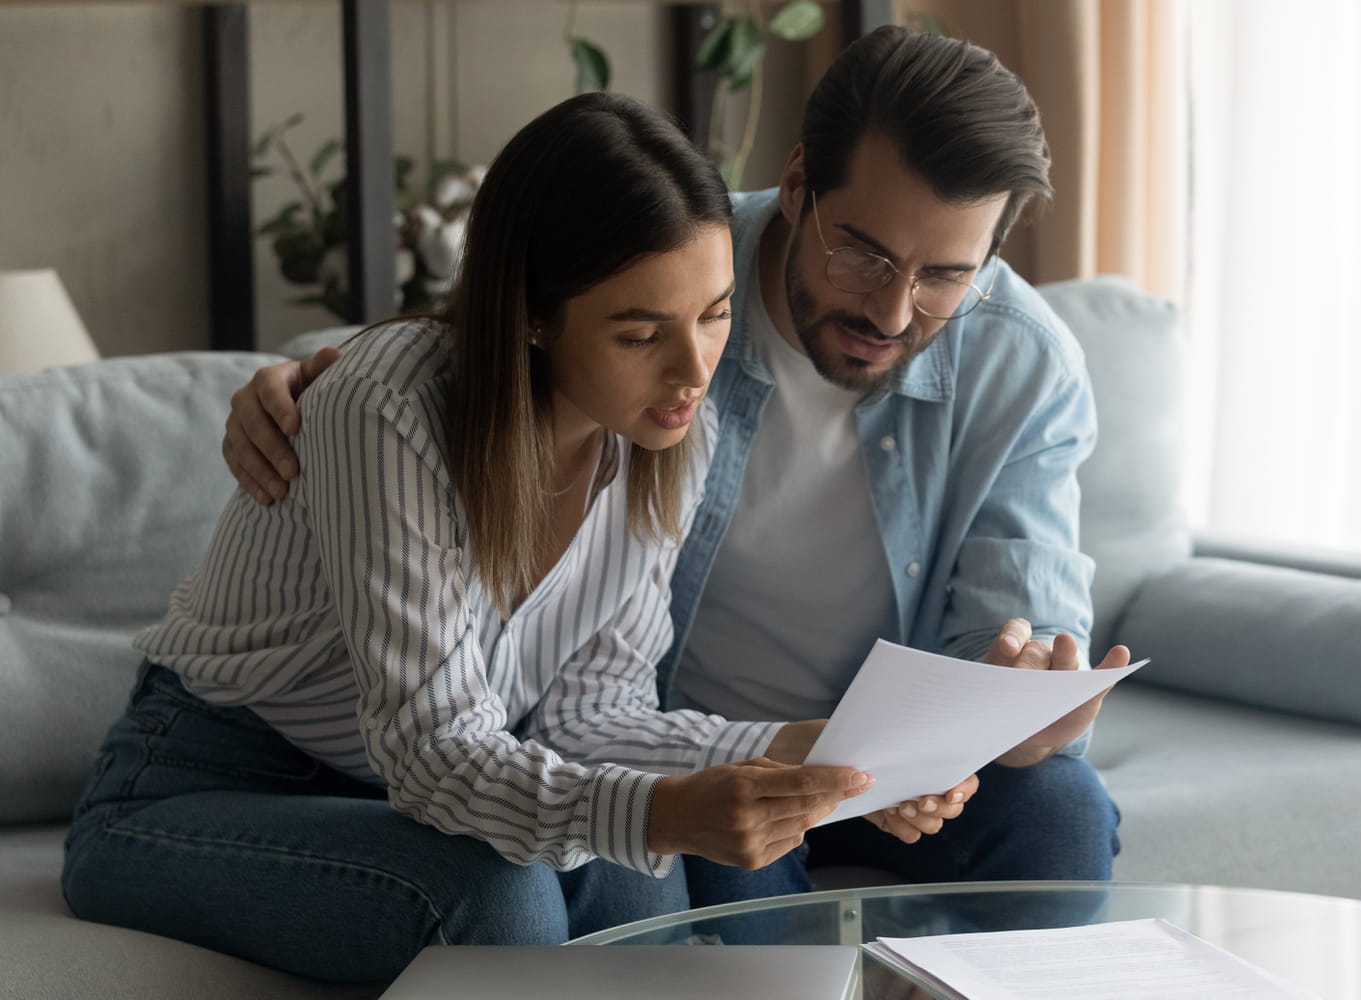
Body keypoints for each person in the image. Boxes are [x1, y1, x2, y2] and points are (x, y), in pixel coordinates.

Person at [220, 27, 1130, 913]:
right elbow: (495, 331)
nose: (893, 311)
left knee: (1061, 814)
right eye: (864, 254)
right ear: (800, 183)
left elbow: (1011, 632)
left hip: (865, 752)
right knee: (666, 885)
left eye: (945, 275)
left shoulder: (1024, 363)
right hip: (687, 740)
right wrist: (316, 383)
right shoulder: (676, 262)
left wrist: (1022, 714)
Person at [60, 92, 891, 984]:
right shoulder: (387, 407)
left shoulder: (671, 437)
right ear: (532, 314)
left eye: (716, 313)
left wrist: (799, 753)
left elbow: (591, 719)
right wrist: (660, 813)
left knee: (634, 884)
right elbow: (434, 751)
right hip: (200, 780)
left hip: (401, 792)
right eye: (640, 331)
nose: (694, 369)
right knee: (501, 903)